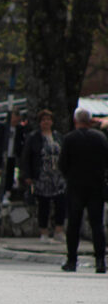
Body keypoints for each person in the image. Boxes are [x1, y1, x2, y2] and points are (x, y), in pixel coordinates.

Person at [57, 107, 108, 273]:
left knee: (73, 224)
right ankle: (100, 261)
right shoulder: (100, 138)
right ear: (90, 121)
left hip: (75, 187)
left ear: (75, 121)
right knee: (97, 225)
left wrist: (70, 176)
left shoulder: (69, 139)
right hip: (96, 186)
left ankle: (72, 260)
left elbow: (62, 164)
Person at [20, 109, 66, 243]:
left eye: (49, 119)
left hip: (58, 175)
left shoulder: (58, 136)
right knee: (44, 205)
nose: (46, 122)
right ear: (40, 122)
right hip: (42, 176)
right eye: (44, 120)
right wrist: (27, 175)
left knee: (60, 203)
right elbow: (26, 157)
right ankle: (44, 232)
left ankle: (59, 230)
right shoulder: (34, 137)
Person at [0, 109, 29, 200]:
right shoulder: (2, 126)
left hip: (12, 155)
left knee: (10, 174)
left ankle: (7, 194)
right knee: (0, 174)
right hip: (2, 154)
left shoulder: (19, 129)